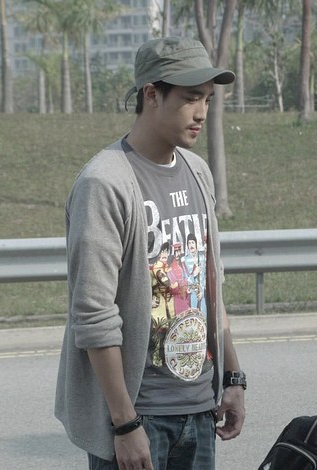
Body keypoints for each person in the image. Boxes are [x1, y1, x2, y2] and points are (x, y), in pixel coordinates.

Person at [55, 37, 246, 470]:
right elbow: (94, 315)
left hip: (200, 409)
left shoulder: (198, 171)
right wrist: (124, 424)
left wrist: (232, 377)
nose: (201, 112)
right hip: (140, 416)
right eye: (190, 98)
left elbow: (209, 287)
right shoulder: (105, 182)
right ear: (152, 95)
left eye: (208, 99)